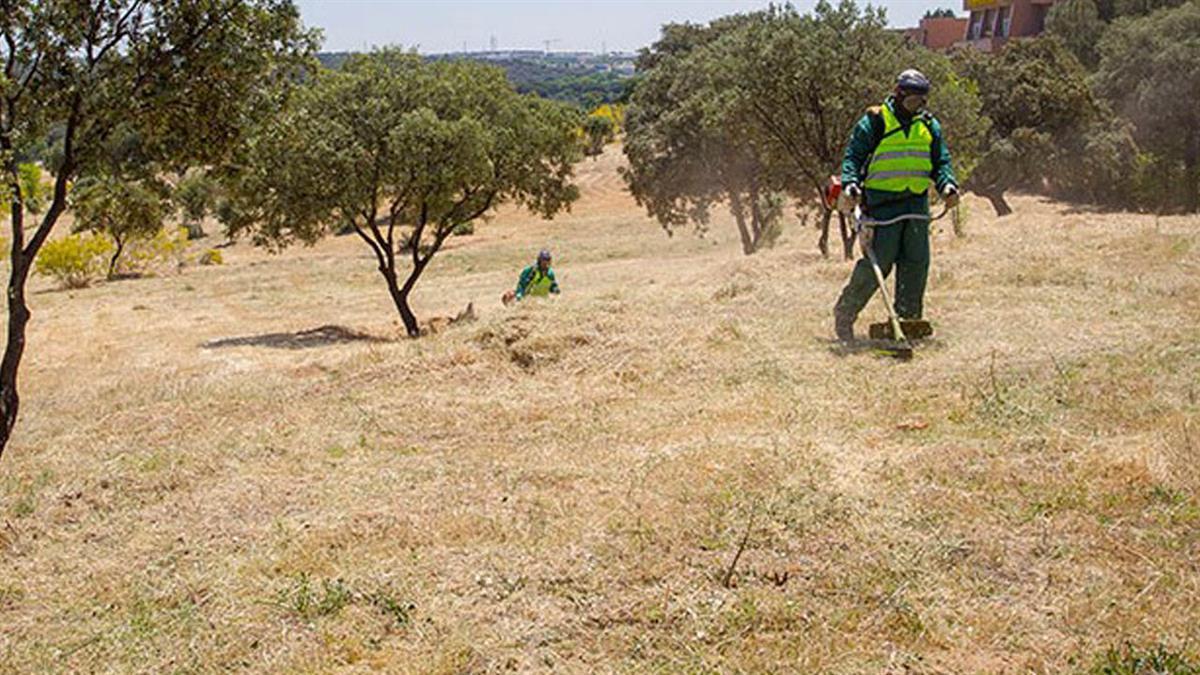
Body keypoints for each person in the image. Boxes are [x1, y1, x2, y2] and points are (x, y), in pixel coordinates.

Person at [833, 69, 959, 342]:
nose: (917, 107)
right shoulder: (876, 121)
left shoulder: (928, 125)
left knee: (916, 264)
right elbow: (853, 157)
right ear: (898, 94)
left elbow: (942, 162)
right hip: (882, 206)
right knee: (879, 263)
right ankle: (845, 313)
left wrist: (947, 185)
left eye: (922, 101)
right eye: (913, 101)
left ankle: (908, 321)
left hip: (916, 204)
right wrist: (851, 183)